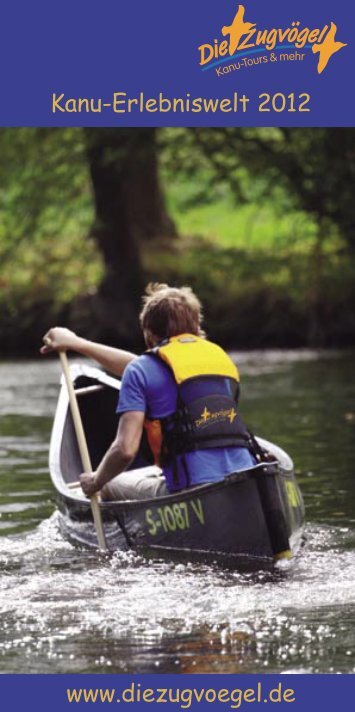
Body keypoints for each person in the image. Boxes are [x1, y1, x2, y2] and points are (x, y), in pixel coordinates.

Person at [41, 283, 256, 501]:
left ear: (149, 333)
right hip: (243, 476)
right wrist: (77, 343)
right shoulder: (217, 359)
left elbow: (125, 450)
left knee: (108, 483)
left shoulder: (142, 371)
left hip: (192, 488)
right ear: (196, 325)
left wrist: (95, 481)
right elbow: (143, 367)